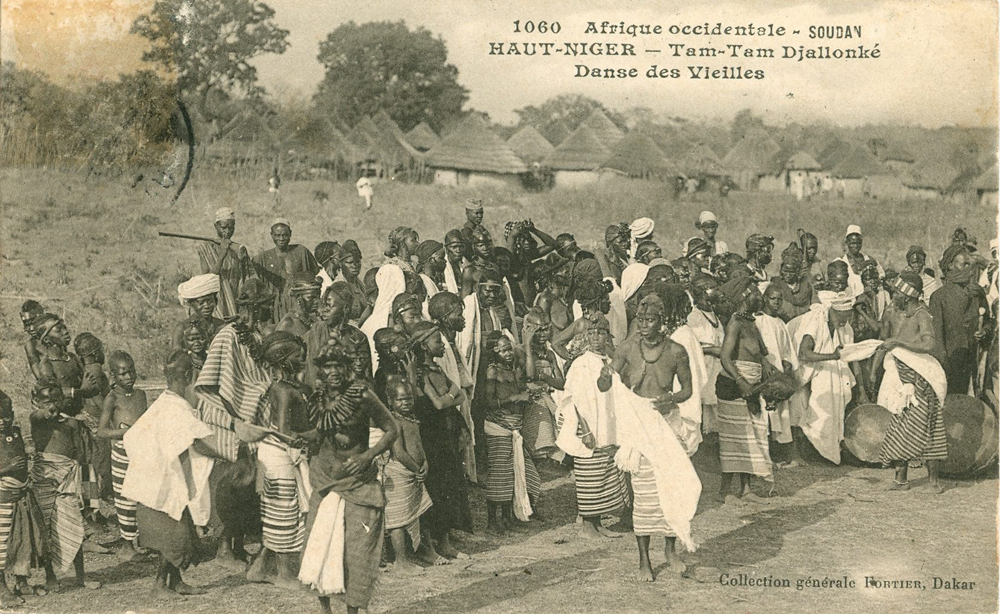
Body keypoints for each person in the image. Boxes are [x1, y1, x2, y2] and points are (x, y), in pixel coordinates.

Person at [122, 351, 266, 599]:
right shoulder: (175, 409)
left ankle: (176, 581)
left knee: (183, 530)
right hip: (162, 482)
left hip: (165, 476)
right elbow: (196, 444)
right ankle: (159, 585)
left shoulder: (166, 403)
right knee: (174, 537)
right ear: (189, 375)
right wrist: (230, 454)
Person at [298, 344, 399, 614]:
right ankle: (325, 610)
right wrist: (307, 437)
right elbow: (321, 434)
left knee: (358, 552)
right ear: (320, 370)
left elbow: (392, 429)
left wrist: (368, 456)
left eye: (338, 366)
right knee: (319, 546)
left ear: (347, 368)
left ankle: (354, 611)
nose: (333, 372)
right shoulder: (318, 398)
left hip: (358, 483)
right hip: (325, 480)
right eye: (327, 367)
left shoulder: (363, 395)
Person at [610, 290, 699, 581]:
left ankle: (670, 550)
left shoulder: (676, 351)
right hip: (639, 425)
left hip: (668, 423)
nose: (644, 325)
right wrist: (602, 377)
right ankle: (644, 560)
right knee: (646, 496)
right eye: (641, 319)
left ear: (661, 321)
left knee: (671, 491)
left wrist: (671, 400)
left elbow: (688, 390)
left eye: (650, 320)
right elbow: (608, 379)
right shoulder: (626, 349)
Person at [247, 333, 315, 588]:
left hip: (282, 454)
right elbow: (287, 433)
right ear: (284, 361)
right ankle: (285, 573)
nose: (303, 359)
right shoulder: (283, 390)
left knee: (281, 511)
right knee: (285, 512)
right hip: (279, 455)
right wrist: (313, 434)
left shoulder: (294, 388)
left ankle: (261, 568)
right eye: (298, 356)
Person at [555, 314, 630, 540]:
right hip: (587, 426)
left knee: (604, 473)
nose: (596, 337)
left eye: (601, 332)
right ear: (586, 336)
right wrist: (585, 430)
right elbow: (575, 401)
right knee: (589, 474)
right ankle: (587, 524)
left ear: (608, 336)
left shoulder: (608, 361)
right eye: (592, 333)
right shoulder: (581, 363)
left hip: (605, 425)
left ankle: (597, 521)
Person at [872, 272, 948, 493]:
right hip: (904, 382)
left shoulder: (922, 315)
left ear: (906, 295)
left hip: (922, 382)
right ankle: (900, 480)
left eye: (896, 292)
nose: (893, 295)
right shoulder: (902, 313)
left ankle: (934, 482)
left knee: (929, 430)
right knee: (900, 427)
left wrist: (898, 342)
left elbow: (928, 345)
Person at [28, 381, 100, 590]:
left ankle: (81, 576)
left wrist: (82, 479)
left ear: (63, 400)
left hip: (67, 479)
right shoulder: (37, 421)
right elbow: (39, 415)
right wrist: (45, 412)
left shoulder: (71, 424)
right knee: (47, 529)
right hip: (45, 480)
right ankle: (50, 576)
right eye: (47, 401)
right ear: (37, 402)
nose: (52, 405)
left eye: (56, 400)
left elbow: (79, 454)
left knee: (74, 524)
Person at [411, 319, 472, 558]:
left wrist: (447, 397)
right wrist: (449, 397)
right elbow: (438, 403)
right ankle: (429, 546)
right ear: (425, 346)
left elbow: (461, 395)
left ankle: (445, 542)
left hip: (445, 436)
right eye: (438, 341)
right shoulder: (421, 373)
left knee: (448, 487)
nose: (443, 345)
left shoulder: (437, 369)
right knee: (433, 489)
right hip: (431, 438)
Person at [788, 286, 859, 465]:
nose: (847, 320)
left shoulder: (844, 328)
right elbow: (804, 353)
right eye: (845, 316)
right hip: (803, 370)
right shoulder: (816, 322)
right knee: (801, 408)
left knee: (829, 407)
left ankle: (827, 451)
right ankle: (799, 453)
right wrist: (832, 356)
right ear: (835, 311)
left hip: (823, 371)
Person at [717, 281, 774, 500]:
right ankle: (724, 491)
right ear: (744, 296)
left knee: (751, 437)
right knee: (734, 438)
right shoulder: (736, 323)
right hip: (733, 386)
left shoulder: (752, 322)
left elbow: (759, 353)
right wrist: (741, 381)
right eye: (756, 293)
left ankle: (746, 489)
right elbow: (725, 357)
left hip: (752, 387)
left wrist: (766, 367)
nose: (760, 296)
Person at [480, 333, 541, 533]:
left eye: (510, 349)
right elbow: (488, 403)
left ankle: (508, 518)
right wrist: (515, 398)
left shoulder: (512, 370)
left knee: (517, 474)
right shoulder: (492, 371)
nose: (509, 353)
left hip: (513, 429)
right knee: (499, 477)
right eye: (504, 350)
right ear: (495, 352)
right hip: (499, 429)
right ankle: (492, 522)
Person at [0, 390, 53, 605]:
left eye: (5, 415)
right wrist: (6, 468)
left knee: (23, 539)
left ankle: (22, 582)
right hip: (3, 496)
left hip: (22, 493)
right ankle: (2, 589)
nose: (2, 421)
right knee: (2, 544)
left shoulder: (15, 432)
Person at [382, 374, 439, 571]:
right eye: (400, 399)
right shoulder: (394, 422)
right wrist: (416, 469)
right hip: (400, 473)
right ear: (390, 401)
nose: (406, 402)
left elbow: (419, 446)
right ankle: (401, 560)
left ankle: (427, 550)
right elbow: (399, 453)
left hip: (415, 474)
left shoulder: (412, 419)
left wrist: (426, 464)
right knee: (398, 519)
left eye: (409, 398)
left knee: (421, 510)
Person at [96, 351, 149, 554]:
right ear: (113, 376)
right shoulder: (112, 399)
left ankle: (146, 539)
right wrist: (125, 431)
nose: (128, 377)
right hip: (122, 453)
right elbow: (102, 431)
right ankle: (127, 545)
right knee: (125, 497)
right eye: (123, 374)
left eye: (131, 372)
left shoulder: (141, 395)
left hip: (142, 451)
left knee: (144, 494)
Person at [428, 292, 478, 485]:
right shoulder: (439, 344)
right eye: (458, 315)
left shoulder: (451, 341)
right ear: (446, 319)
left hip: (461, 397)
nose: (463, 319)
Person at [757, 284, 801, 466]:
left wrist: (788, 362)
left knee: (779, 415)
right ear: (765, 298)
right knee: (765, 413)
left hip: (779, 375)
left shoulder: (781, 323)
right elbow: (754, 347)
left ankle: (777, 455)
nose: (776, 302)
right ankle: (763, 457)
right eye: (773, 298)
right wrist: (765, 363)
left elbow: (786, 349)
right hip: (764, 374)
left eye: (779, 299)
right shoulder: (758, 320)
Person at [930, 245, 982, 395]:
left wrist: (984, 331)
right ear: (950, 266)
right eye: (964, 264)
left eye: (969, 264)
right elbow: (937, 338)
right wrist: (944, 366)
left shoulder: (976, 293)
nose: (969, 268)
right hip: (950, 363)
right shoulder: (939, 297)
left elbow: (989, 321)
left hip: (972, 361)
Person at [253, 219, 320, 323]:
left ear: (290, 234)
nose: (281, 238)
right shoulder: (263, 258)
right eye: (277, 235)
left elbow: (314, 274)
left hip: (298, 305)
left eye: (285, 235)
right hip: (275, 306)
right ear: (271, 235)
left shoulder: (301, 252)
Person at [521, 308, 565, 463]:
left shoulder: (550, 354)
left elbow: (561, 383)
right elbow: (530, 375)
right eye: (538, 331)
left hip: (547, 396)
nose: (543, 334)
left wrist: (544, 378)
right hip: (530, 400)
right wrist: (527, 344)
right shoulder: (521, 351)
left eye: (546, 329)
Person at [197, 207, 251, 319]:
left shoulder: (238, 249)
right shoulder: (205, 248)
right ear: (215, 226)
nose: (227, 231)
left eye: (231, 228)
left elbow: (246, 277)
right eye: (223, 227)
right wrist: (223, 253)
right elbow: (208, 279)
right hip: (216, 302)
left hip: (236, 299)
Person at [688, 275, 724, 438]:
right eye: (714, 288)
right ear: (703, 291)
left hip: (716, 368)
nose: (717, 291)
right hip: (704, 368)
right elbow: (691, 344)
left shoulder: (713, 314)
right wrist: (713, 350)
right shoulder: (694, 316)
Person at [173, 273, 226, 349]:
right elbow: (176, 356)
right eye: (201, 302)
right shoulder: (182, 328)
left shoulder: (222, 326)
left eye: (210, 301)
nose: (207, 306)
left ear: (216, 301)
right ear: (191, 304)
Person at [768, 242, 816, 322]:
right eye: (785, 271)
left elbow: (816, 304)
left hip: (805, 322)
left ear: (797, 272)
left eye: (791, 272)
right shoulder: (776, 284)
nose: (788, 275)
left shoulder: (807, 285)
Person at [836, 225, 884, 296]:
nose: (856, 246)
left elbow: (881, 275)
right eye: (853, 243)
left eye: (858, 243)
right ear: (847, 243)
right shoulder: (841, 261)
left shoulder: (869, 259)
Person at [274, 274, 322, 338]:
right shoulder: (287, 323)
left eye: (318, 297)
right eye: (311, 298)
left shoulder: (313, 318)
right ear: (298, 297)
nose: (317, 301)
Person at [336, 241, 370, 327]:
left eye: (357, 262)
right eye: (350, 262)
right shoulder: (338, 286)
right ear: (340, 264)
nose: (355, 265)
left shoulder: (359, 283)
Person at [21, 301, 46, 380]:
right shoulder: (31, 345)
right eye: (27, 324)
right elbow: (37, 372)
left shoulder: (55, 335)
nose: (31, 328)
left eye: (34, 322)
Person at [415, 240, 446, 304]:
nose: (445, 261)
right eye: (441, 258)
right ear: (431, 260)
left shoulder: (434, 279)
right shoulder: (422, 281)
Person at [443, 229, 467, 295]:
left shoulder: (466, 265)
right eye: (454, 247)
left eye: (461, 247)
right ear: (446, 249)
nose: (458, 250)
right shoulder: (440, 269)